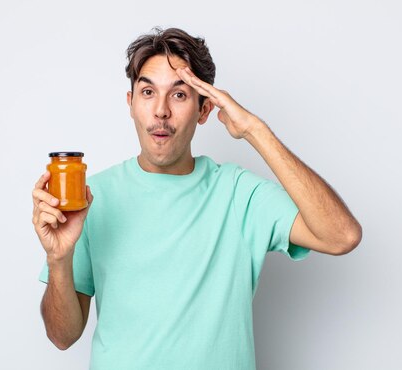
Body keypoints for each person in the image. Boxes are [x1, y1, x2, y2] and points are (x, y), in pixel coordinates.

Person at [31, 27, 362, 369]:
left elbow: (342, 236)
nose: (160, 111)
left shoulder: (238, 194)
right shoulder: (90, 198)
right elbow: (62, 336)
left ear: (204, 110)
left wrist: (253, 130)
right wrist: (58, 259)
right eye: (147, 92)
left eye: (179, 95)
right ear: (131, 104)